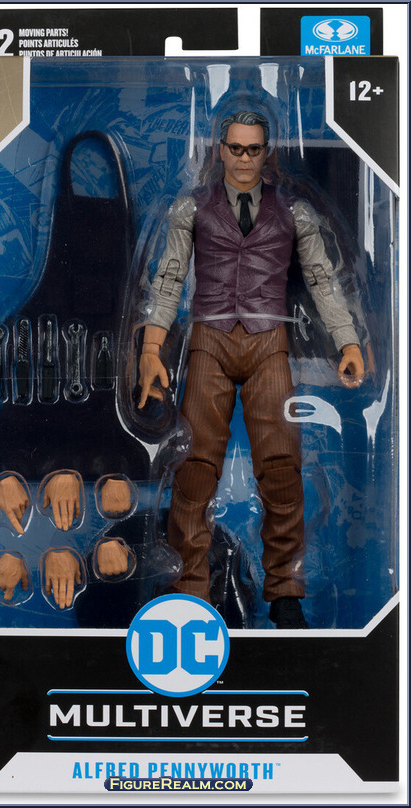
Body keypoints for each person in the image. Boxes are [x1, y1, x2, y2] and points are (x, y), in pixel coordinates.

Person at [138, 111, 365, 628]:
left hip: (268, 344)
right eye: (235, 148)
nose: (244, 158)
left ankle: (285, 592)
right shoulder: (191, 208)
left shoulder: (294, 212)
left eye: (253, 149)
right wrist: (152, 349)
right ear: (220, 149)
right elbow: (169, 278)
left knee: (282, 466)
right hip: (210, 342)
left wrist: (348, 341)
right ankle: (189, 589)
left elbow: (322, 279)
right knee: (194, 466)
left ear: (267, 153)